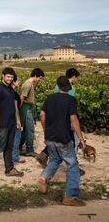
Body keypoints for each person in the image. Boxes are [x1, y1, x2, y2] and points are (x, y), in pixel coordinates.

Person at [38, 76, 86, 206]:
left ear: (58, 86)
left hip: (49, 137)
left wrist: (46, 129)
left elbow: (42, 115)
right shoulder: (71, 100)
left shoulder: (49, 98)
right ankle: (70, 196)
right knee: (72, 165)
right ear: (68, 87)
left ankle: (44, 178)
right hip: (63, 137)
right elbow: (73, 119)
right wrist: (81, 138)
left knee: (54, 159)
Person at [36, 68, 81, 169]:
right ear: (73, 77)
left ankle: (44, 155)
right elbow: (69, 108)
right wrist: (72, 124)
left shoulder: (57, 86)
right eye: (76, 78)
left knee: (55, 139)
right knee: (69, 142)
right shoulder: (71, 89)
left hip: (53, 119)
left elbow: (49, 107)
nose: (76, 80)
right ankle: (73, 165)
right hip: (64, 120)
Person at [19, 68, 45, 157]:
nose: (40, 80)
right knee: (30, 130)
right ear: (35, 76)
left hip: (28, 108)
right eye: (40, 78)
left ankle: (18, 147)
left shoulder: (29, 83)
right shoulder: (28, 84)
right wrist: (18, 110)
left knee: (26, 130)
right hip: (26, 109)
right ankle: (29, 150)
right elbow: (22, 97)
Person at [11, 74, 26, 163]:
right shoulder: (13, 93)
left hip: (8, 117)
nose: (19, 83)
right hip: (13, 118)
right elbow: (15, 107)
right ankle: (15, 156)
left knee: (2, 137)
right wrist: (18, 120)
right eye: (18, 81)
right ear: (14, 82)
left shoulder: (9, 91)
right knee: (17, 136)